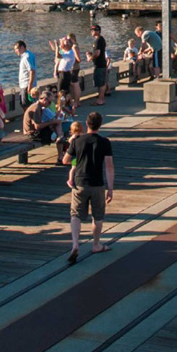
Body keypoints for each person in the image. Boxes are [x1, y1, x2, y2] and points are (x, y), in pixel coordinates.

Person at [63, 112, 115, 265]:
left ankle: (75, 244)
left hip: (79, 182)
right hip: (97, 183)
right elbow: (109, 167)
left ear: (87, 123)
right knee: (98, 216)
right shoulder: (105, 142)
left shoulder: (77, 140)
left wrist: (72, 144)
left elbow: (65, 160)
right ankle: (96, 245)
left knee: (76, 214)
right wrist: (110, 188)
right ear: (100, 124)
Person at [88, 24, 108, 105]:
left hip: (99, 65)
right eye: (92, 30)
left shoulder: (97, 41)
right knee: (102, 83)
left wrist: (90, 57)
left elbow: (97, 53)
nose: (92, 32)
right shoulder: (102, 39)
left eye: (94, 30)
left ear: (98, 31)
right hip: (103, 64)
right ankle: (102, 99)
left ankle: (100, 100)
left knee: (100, 84)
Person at [14, 41, 37, 106]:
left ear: (22, 47)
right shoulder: (29, 55)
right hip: (25, 84)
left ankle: (29, 116)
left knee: (26, 105)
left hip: (26, 85)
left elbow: (32, 71)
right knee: (24, 103)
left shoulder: (26, 57)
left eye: (16, 49)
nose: (15, 51)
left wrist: (30, 85)